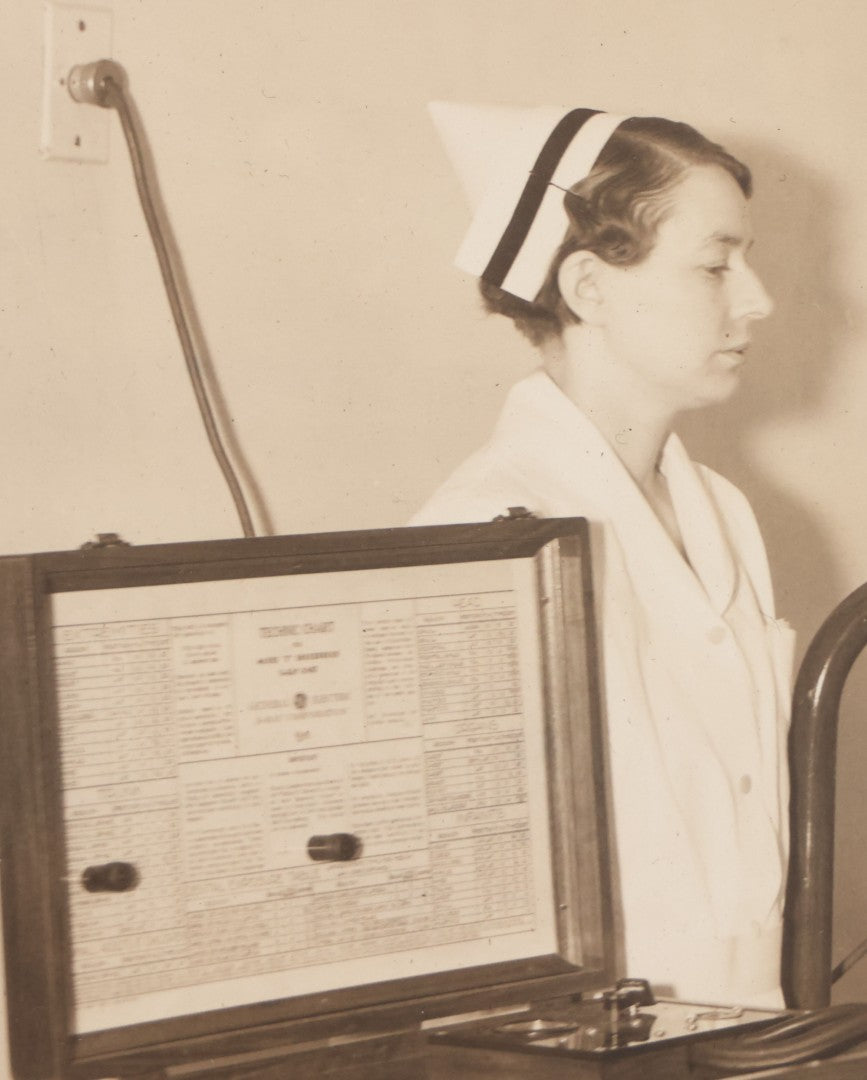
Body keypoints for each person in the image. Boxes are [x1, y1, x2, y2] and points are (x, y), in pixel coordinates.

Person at [411, 103, 795, 1008]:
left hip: (742, 1025)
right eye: (715, 264)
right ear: (587, 287)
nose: (756, 298)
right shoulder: (487, 531)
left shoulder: (725, 514)